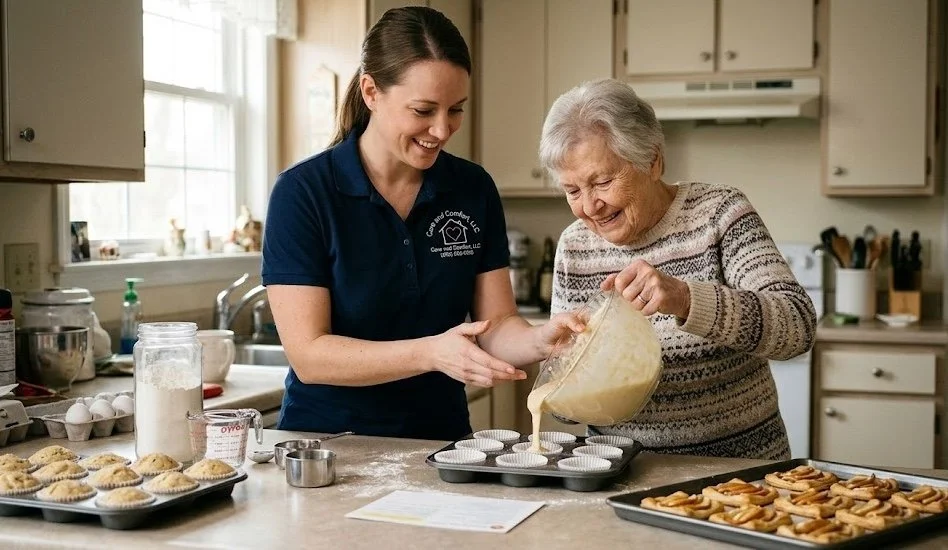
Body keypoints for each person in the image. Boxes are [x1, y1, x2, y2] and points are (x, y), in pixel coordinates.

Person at [261, 7, 582, 440]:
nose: (442, 129)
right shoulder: (304, 194)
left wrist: (540, 341)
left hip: (441, 444)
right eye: (423, 110)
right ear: (371, 91)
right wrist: (431, 352)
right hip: (329, 447)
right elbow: (310, 356)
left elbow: (496, 324)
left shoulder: (472, 188)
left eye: (456, 110)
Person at [538, 78, 816, 460]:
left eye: (602, 182)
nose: (589, 206)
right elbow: (569, 412)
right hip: (620, 472)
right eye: (572, 191)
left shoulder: (720, 214)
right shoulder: (575, 247)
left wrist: (687, 299)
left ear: (653, 161)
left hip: (738, 473)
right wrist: (566, 366)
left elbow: (797, 329)